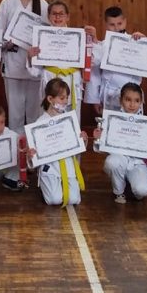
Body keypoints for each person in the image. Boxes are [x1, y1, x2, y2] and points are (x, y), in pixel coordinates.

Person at [0, 0, 50, 134]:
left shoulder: (43, 4)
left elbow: (47, 35)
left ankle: (33, 147)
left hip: (34, 66)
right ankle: (16, 148)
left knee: (34, 114)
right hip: (13, 63)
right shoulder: (7, 3)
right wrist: (7, 42)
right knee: (15, 114)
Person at [93, 83, 147, 204]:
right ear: (121, 100)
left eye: (136, 101)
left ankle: (132, 186)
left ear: (141, 102)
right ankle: (119, 191)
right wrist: (98, 139)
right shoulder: (112, 120)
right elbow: (103, 149)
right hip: (120, 159)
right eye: (128, 100)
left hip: (139, 163)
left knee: (142, 191)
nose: (132, 104)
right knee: (112, 162)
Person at [25, 78, 89, 206]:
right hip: (50, 167)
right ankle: (46, 184)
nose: (65, 101)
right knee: (54, 199)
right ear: (50, 99)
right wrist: (31, 155)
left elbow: (77, 148)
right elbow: (32, 157)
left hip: (68, 164)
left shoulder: (70, 120)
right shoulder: (39, 124)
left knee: (74, 200)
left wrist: (83, 140)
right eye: (62, 98)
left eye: (67, 98)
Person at [26, 0, 86, 123]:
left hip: (72, 80)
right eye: (54, 14)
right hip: (50, 79)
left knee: (72, 120)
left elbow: (87, 65)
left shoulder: (78, 37)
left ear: (67, 17)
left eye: (61, 14)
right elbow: (35, 72)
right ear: (48, 16)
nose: (57, 17)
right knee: (49, 119)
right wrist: (30, 57)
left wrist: (87, 57)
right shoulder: (41, 37)